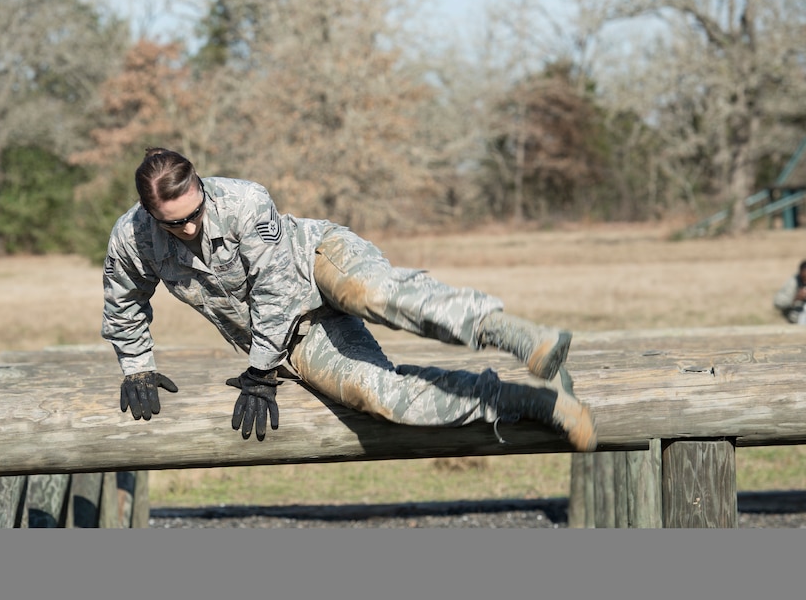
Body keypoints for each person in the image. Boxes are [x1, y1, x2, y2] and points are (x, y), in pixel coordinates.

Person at [101, 147, 597, 452]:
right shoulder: (132, 237)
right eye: (174, 222)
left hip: (315, 262)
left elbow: (273, 287)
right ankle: (535, 402)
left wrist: (258, 373)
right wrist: (136, 367)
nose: (189, 227)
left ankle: (519, 336)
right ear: (148, 213)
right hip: (295, 334)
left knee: (374, 292)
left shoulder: (244, 201)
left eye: (195, 212)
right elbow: (124, 302)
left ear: (201, 188)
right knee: (382, 399)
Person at [774, 260, 806, 324]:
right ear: (800, 273)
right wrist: (796, 298)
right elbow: (777, 302)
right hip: (796, 317)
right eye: (804, 277)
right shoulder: (793, 282)